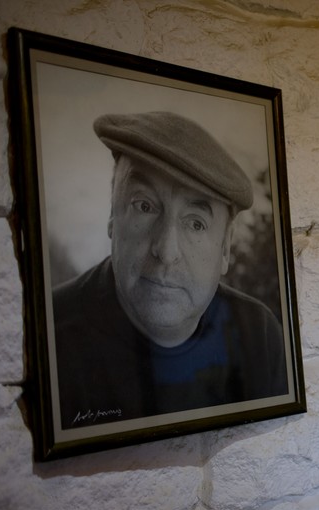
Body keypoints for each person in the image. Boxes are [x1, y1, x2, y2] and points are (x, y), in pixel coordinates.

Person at [52, 111, 288, 428]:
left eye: (195, 223)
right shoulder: (50, 335)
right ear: (112, 214)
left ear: (225, 247)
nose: (166, 251)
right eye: (144, 206)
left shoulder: (259, 336)